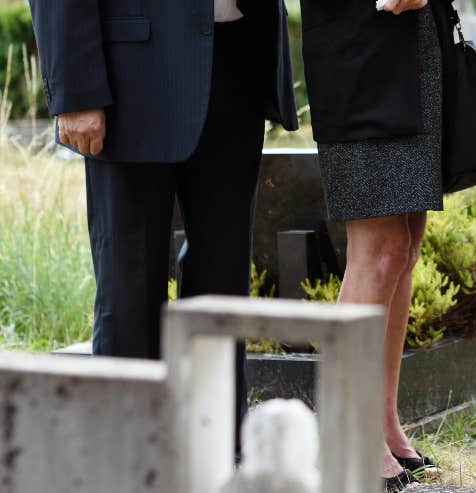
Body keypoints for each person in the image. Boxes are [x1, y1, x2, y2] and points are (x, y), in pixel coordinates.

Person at [28, 0, 299, 455]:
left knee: (223, 279)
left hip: (237, 59)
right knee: (129, 283)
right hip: (130, 74)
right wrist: (75, 89)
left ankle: (216, 455)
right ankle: (126, 463)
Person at [300, 0, 443, 490]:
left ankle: (382, 421)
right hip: (356, 47)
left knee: (405, 242)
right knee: (379, 248)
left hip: (413, 43)